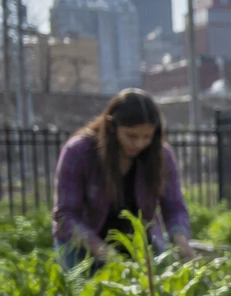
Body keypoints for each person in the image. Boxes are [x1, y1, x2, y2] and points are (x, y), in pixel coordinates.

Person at [52, 89, 192, 268]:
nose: (139, 144)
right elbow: (65, 216)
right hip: (83, 247)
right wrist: (102, 251)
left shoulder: (161, 155)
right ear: (111, 126)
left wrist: (181, 241)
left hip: (141, 247)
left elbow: (174, 207)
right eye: (131, 136)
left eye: (147, 136)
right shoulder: (79, 152)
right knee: (87, 294)